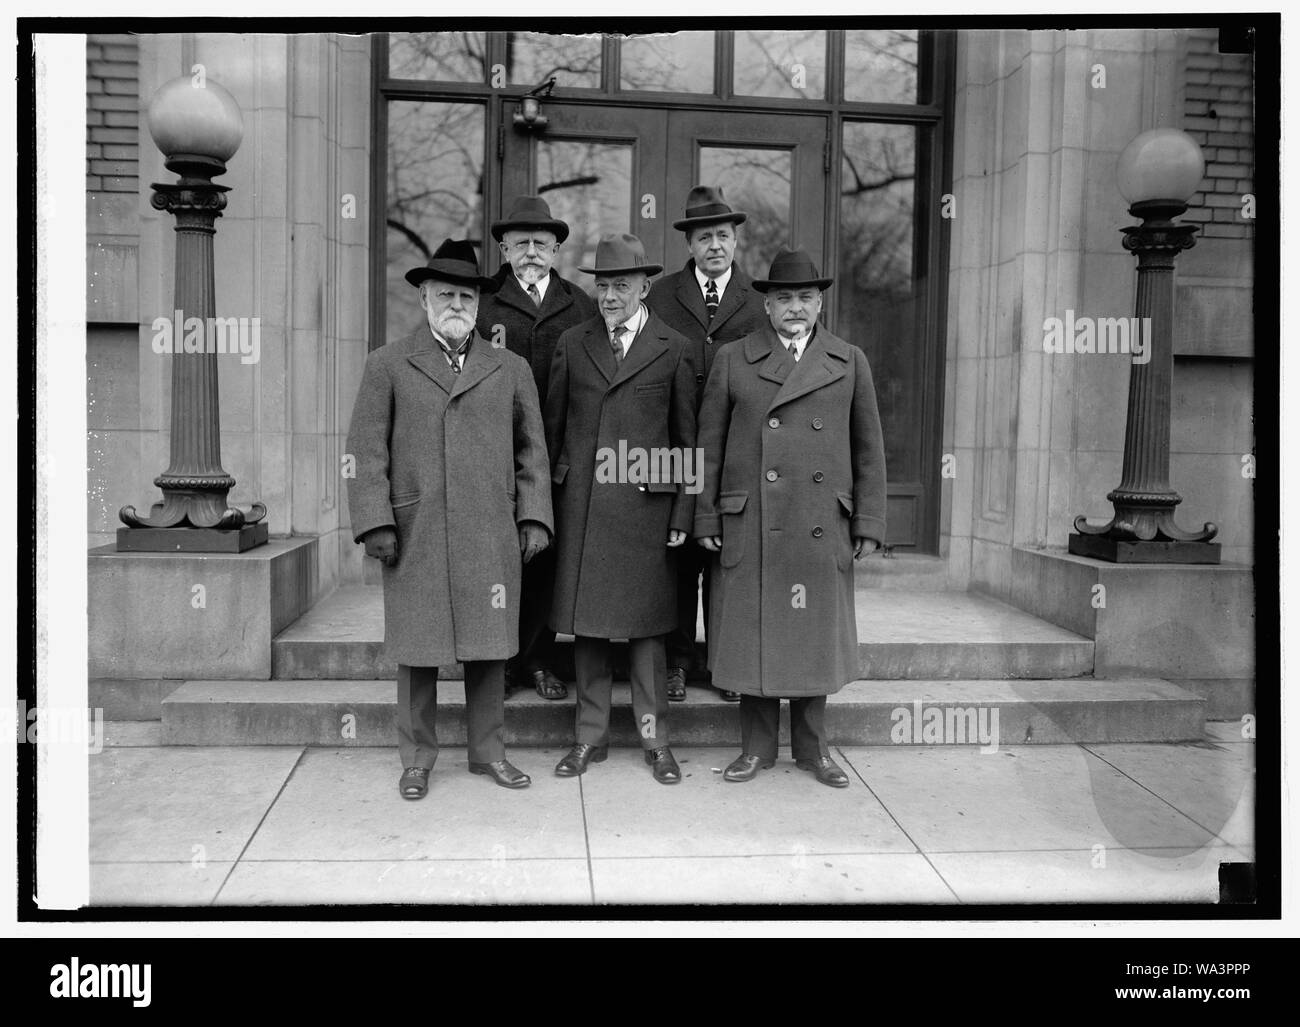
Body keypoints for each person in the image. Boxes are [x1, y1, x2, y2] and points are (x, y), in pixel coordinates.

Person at [347, 238, 553, 800]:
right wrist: (376, 522)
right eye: (446, 293)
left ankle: (489, 755)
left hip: (491, 530)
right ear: (424, 297)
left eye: (466, 294)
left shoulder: (509, 368)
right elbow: (367, 451)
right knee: (418, 651)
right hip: (417, 531)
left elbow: (531, 450)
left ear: (480, 302)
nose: (457, 303)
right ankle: (416, 759)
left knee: (490, 649)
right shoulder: (387, 364)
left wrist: (534, 518)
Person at [694, 248, 887, 788]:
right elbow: (707, 450)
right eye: (784, 298)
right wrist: (705, 517)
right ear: (768, 305)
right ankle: (755, 750)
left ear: (819, 301)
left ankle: (813, 750)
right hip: (752, 522)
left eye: (804, 297)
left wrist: (869, 521)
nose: (795, 307)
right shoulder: (734, 358)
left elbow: (869, 449)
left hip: (820, 520)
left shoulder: (849, 360)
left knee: (810, 640)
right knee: (753, 637)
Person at [544, 233, 697, 785]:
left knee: (647, 634)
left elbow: (687, 441)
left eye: (621, 285)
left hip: (646, 515)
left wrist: (683, 515)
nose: (610, 296)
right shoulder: (571, 342)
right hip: (583, 509)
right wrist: (549, 506)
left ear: (644, 285)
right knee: (587, 632)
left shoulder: (675, 348)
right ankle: (589, 738)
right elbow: (552, 435)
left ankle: (656, 741)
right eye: (603, 285)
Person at [647, 186, 768, 703]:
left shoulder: (762, 302)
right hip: (673, 446)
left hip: (734, 451)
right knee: (676, 557)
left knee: (724, 557)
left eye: (722, 235)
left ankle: (725, 663)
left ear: (736, 240)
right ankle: (675, 661)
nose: (714, 245)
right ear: (690, 244)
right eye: (704, 237)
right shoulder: (659, 295)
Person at [476, 196, 599, 701]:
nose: (530, 251)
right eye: (521, 243)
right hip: (494, 457)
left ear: (555, 250)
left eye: (540, 243)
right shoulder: (483, 304)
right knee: (497, 561)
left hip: (558, 458)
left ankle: (537, 660)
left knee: (545, 559)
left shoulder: (582, 306)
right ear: (504, 248)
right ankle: (496, 662)